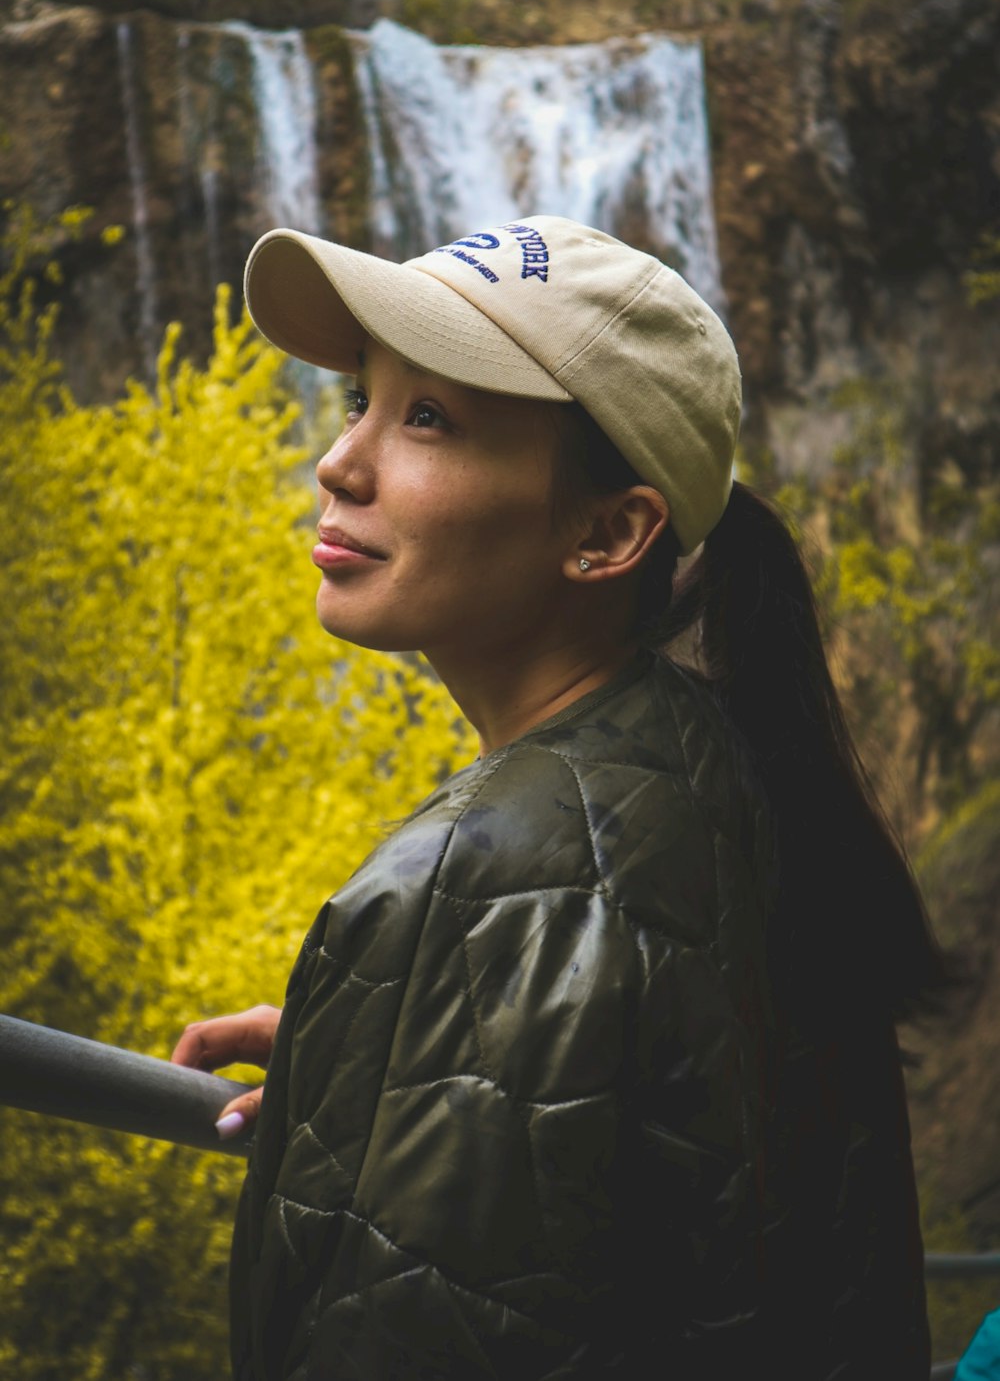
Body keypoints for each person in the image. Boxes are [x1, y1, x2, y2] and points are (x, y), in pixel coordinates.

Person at [172, 216, 944, 1379]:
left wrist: (448, 996)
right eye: (359, 401)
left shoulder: (489, 885)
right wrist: (407, 1075)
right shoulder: (719, 764)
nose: (339, 463)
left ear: (609, 532)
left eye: (428, 416)